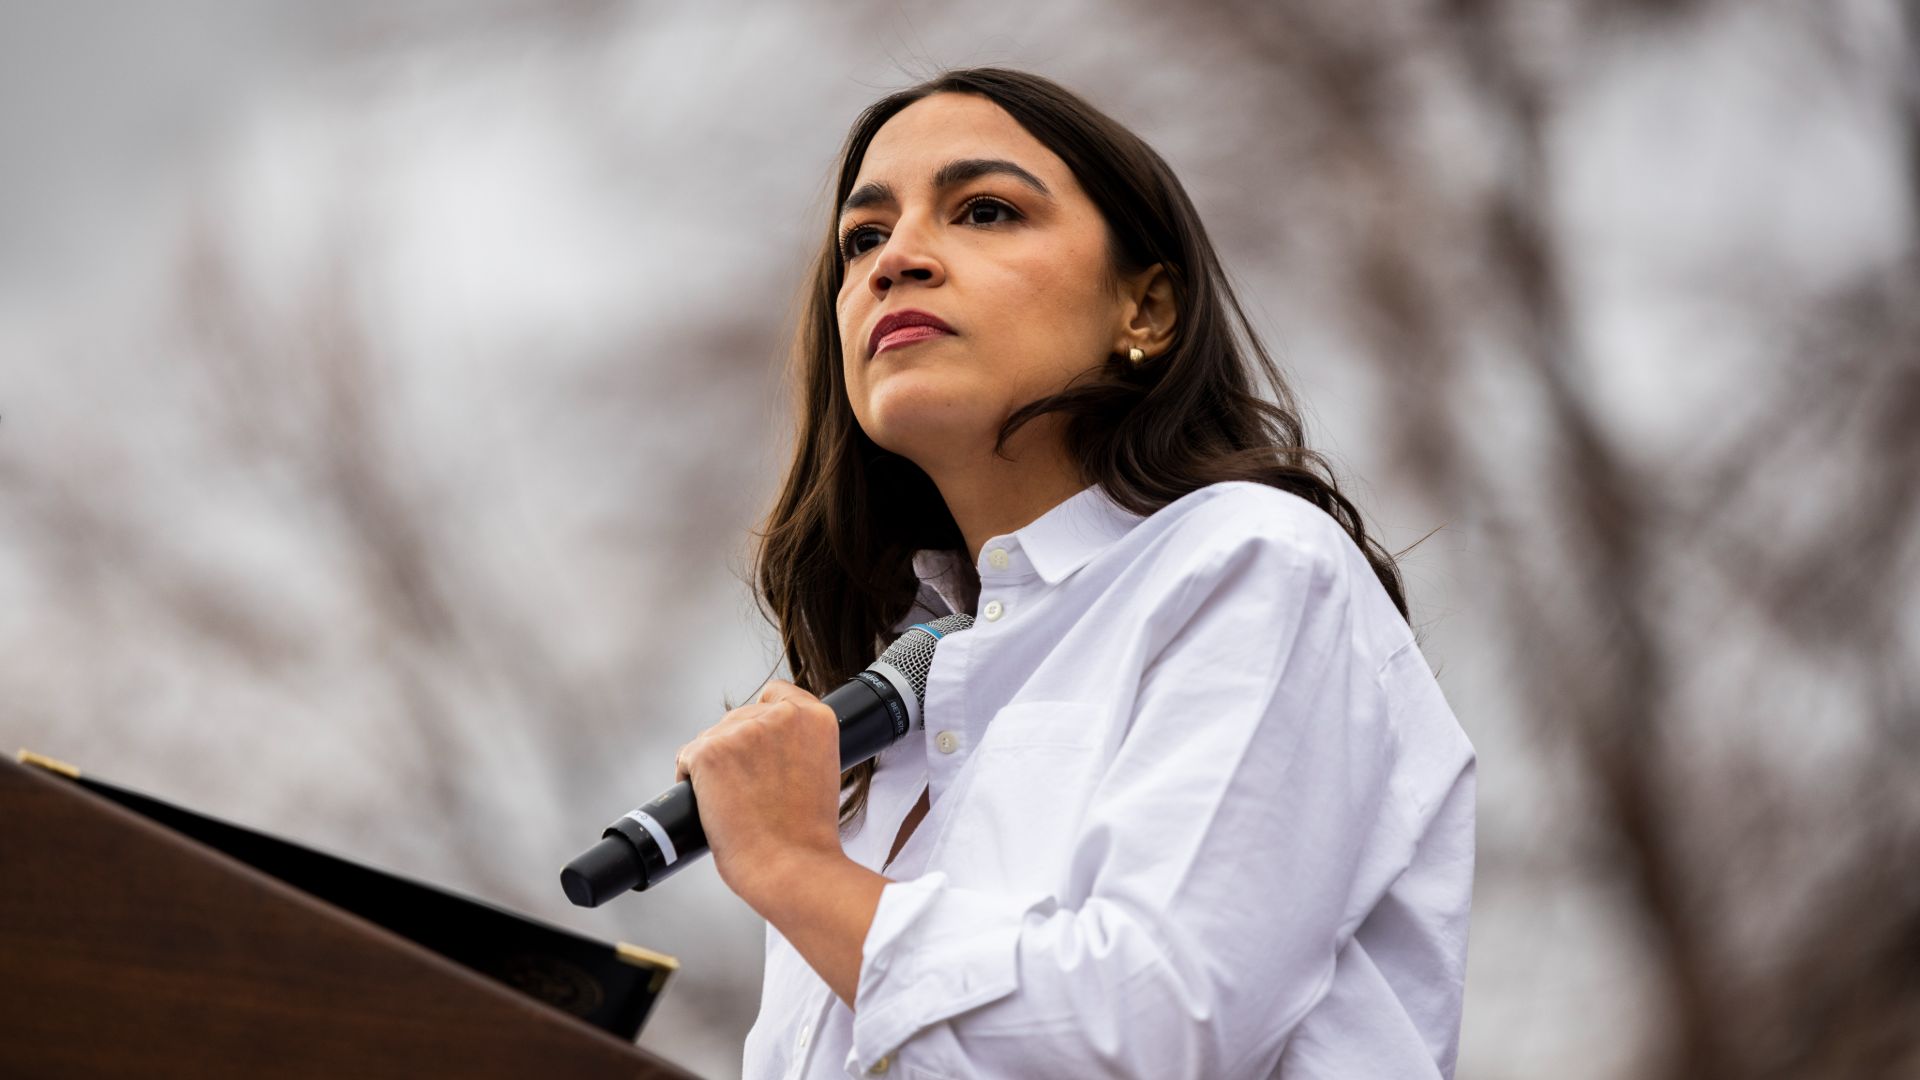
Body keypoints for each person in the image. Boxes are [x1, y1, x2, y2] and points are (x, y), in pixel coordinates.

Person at [670, 67, 1476, 1079]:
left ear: (1146, 308)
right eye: (863, 238)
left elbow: (1155, 1028)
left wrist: (795, 870)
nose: (897, 261)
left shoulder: (1250, 563)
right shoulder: (890, 716)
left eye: (985, 211)